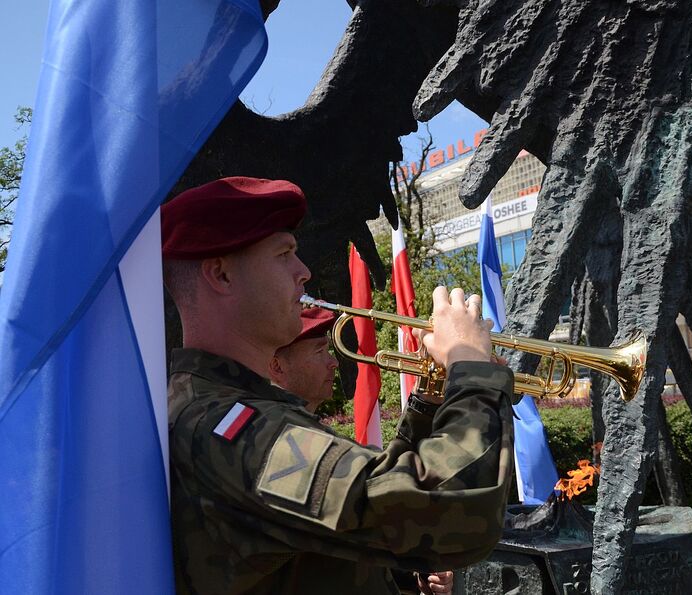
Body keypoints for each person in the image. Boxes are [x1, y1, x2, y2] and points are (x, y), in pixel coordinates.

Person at [162, 176, 515, 595]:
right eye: (284, 254)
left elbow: (371, 506)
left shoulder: (231, 405)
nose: (304, 271)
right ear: (220, 275)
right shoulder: (227, 426)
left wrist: (434, 398)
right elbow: (449, 513)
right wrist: (472, 368)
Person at [268, 305, 454, 594]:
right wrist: (476, 382)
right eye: (320, 352)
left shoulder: (308, 434)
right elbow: (386, 495)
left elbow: (349, 551)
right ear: (277, 365)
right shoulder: (284, 442)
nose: (333, 363)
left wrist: (414, 579)